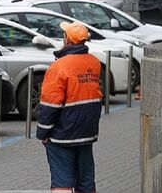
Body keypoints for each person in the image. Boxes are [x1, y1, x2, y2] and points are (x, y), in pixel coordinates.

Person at [37, 21, 102, 193]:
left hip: (62, 134)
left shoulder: (59, 66)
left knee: (62, 181)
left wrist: (43, 133)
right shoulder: (94, 63)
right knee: (86, 181)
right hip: (87, 132)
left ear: (67, 39)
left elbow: (50, 104)